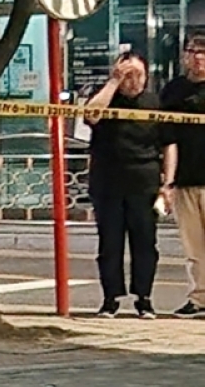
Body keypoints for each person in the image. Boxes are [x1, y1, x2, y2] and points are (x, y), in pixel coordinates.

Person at [83, 52, 161, 318]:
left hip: (144, 182)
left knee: (145, 243)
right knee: (110, 244)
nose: (134, 81)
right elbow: (91, 115)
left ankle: (144, 298)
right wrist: (113, 82)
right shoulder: (106, 96)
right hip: (108, 182)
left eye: (139, 75)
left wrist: (167, 184)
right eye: (129, 75)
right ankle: (110, 298)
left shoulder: (154, 102)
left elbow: (168, 143)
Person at [160, 31, 205, 317]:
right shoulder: (173, 90)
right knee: (194, 245)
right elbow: (167, 138)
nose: (199, 58)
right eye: (193, 51)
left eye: (204, 52)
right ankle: (200, 298)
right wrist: (167, 181)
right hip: (186, 179)